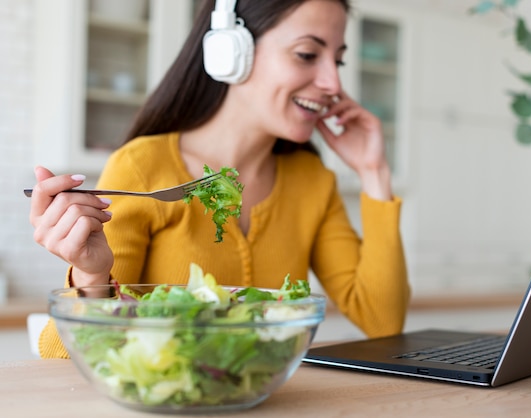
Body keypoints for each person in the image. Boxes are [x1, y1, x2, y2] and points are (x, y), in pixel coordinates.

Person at [29, 0, 410, 359]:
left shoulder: (312, 181)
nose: (333, 84)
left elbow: (382, 320)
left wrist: (373, 171)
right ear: (231, 51)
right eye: (307, 55)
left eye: (338, 61)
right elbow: (61, 354)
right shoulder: (144, 167)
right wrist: (92, 275)